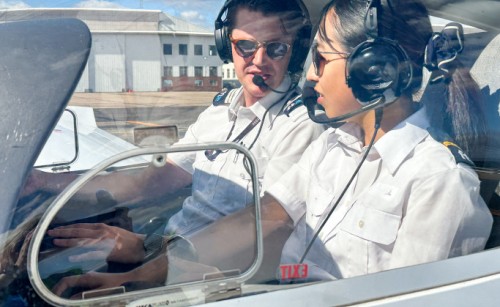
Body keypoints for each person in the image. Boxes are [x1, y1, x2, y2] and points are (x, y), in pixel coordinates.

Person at [53, 0, 493, 296]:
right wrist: (138, 281)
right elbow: (262, 220)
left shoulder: (440, 182)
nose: (311, 77)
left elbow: (409, 299)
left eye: (320, 59)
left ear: (375, 72)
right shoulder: (335, 149)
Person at [46, 0, 323, 292]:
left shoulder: (300, 123)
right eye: (246, 46)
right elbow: (148, 183)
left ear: (294, 53)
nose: (260, 60)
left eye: (276, 48)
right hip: (164, 255)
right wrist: (48, 183)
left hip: (212, 279)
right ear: (226, 45)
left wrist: (141, 256)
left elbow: (269, 230)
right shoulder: (219, 112)